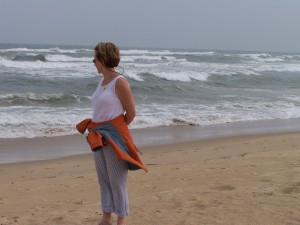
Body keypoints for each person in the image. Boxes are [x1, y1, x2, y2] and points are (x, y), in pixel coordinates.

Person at [76, 42, 147, 225]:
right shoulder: (102, 81)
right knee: (104, 180)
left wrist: (115, 131)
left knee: (117, 180)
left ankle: (120, 220)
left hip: (113, 137)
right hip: (97, 136)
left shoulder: (120, 82)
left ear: (102, 60)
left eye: (94, 59)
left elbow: (130, 113)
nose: (93, 63)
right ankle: (106, 217)